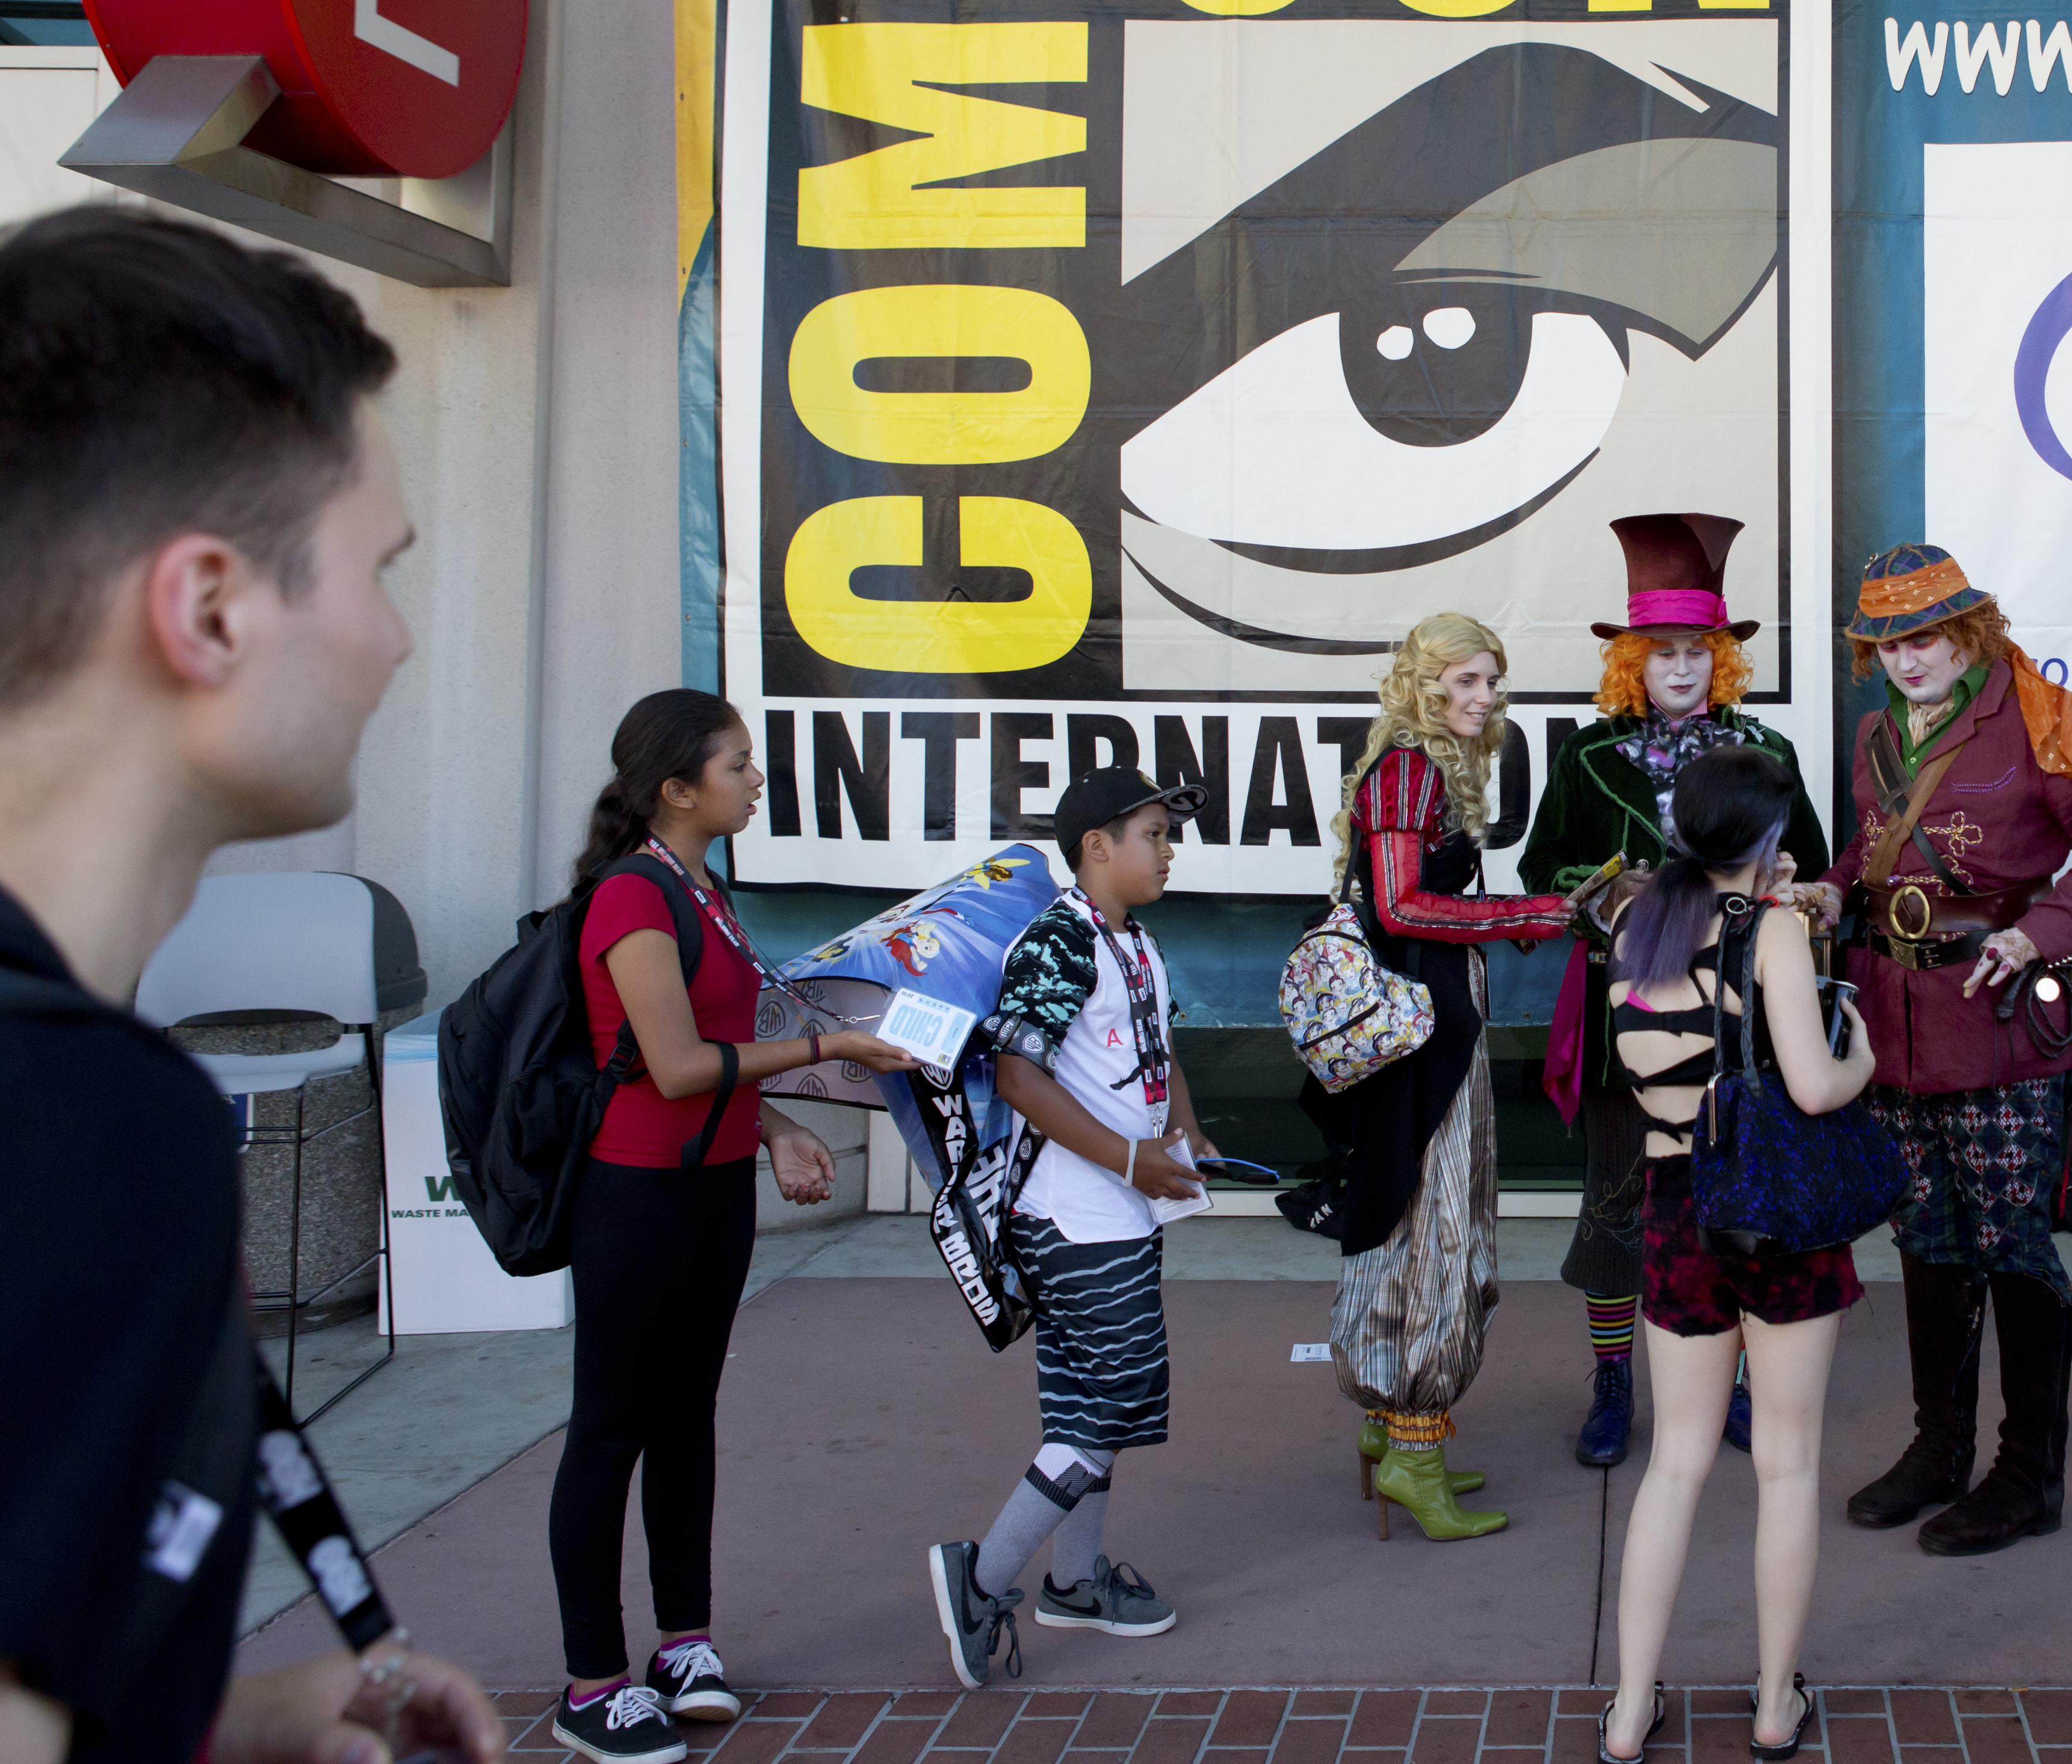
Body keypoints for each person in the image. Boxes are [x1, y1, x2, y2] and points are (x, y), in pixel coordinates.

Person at [0, 209, 506, 1764]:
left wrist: (220, 1719)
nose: (400, 640)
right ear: (211, 608)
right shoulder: (83, 1126)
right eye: (380, 571)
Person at [548, 690, 917, 1755]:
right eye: (739, 766)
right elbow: (671, 1067)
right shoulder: (631, 897)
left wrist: (775, 1132)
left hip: (712, 1185)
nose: (756, 782)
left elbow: (718, 1051)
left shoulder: (703, 892)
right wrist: (823, 1056)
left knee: (686, 1417)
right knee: (611, 1427)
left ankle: (684, 1644)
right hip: (635, 1195)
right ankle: (590, 1684)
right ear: (676, 788)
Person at [1829, 545, 2072, 1557]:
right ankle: (1940, 1451)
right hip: (1898, 1026)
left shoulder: (2041, 716)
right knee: (1927, 1239)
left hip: (2000, 1020)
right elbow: (1876, 848)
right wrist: (1831, 887)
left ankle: (2029, 1476)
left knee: (2012, 1243)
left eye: (1925, 636)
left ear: (1967, 632)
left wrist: (2041, 933)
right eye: (1888, 643)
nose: (1908, 659)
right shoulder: (1877, 733)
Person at [1522, 514, 1829, 1470]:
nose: (1683, 669)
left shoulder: (1761, 752)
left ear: (1721, 661)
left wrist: (1791, 894)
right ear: (1632, 663)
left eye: (1698, 652)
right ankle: (1616, 1384)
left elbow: (1817, 870)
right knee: (1619, 1207)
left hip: (1743, 1025)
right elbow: (1542, 869)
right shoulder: (1585, 756)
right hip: (1634, 1017)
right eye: (1663, 653)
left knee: (1733, 1200)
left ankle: (1733, 1383)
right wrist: (1614, 892)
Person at [1595, 748, 1875, 1764]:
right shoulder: (1778, 933)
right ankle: (1771, 1707)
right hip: (1777, 1212)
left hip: (1677, 1206)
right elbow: (1812, 1088)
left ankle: (1629, 1712)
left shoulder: (1636, 920)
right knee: (1788, 1466)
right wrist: (1865, 1058)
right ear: (1765, 838)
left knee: (1674, 1466)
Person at [928, 764, 1214, 1689]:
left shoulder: (1134, 939)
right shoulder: (1059, 941)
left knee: (1092, 1404)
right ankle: (981, 1580)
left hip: (1121, 1211)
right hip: (1074, 1216)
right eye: (1155, 835)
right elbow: (1019, 1077)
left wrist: (1184, 1128)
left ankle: (1078, 1582)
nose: (1169, 851)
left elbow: (1156, 1049)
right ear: (1098, 847)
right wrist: (1131, 1161)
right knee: (1109, 1403)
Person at [1311, 613, 1582, 1540]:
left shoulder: (1424, 768)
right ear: (1424, 686)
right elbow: (1398, 906)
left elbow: (1419, 904)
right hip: (1420, 1033)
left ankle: (1397, 1440)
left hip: (1428, 1020)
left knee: (1418, 1212)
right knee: (1433, 1224)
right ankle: (1413, 1447)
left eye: (1492, 682)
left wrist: (1513, 916)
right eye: (1467, 682)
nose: (1486, 699)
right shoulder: (1408, 770)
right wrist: (1529, 909)